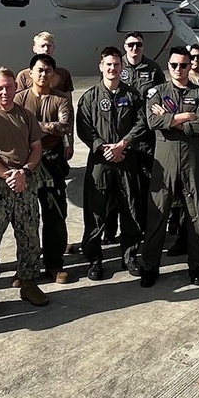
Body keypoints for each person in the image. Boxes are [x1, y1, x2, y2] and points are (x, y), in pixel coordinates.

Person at [0, 68, 49, 316]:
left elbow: (37, 147)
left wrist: (23, 171)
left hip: (24, 182)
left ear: (16, 88)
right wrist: (7, 175)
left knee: (29, 235)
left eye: (9, 87)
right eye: (0, 87)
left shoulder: (25, 115)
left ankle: (28, 283)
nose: (5, 92)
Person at [140, 46, 199, 287]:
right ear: (168, 65)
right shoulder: (157, 91)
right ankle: (151, 265)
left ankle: (196, 265)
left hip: (192, 157)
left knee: (196, 212)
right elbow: (152, 121)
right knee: (158, 211)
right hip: (165, 156)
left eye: (184, 65)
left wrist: (172, 119)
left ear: (189, 66)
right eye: (174, 65)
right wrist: (185, 116)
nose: (179, 69)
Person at [76, 47, 148, 280]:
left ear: (121, 67)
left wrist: (123, 144)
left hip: (126, 158)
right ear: (101, 67)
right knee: (96, 211)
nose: (112, 68)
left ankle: (129, 256)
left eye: (116, 65)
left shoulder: (133, 96)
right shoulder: (89, 98)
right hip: (100, 161)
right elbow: (84, 127)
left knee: (130, 209)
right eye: (108, 64)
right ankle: (95, 260)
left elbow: (142, 123)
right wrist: (103, 146)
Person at [14, 53, 74, 284]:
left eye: (48, 71)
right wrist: (46, 128)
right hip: (26, 162)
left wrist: (34, 127)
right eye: (39, 70)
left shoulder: (60, 99)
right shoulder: (19, 99)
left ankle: (54, 263)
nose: (43, 74)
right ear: (30, 73)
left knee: (55, 214)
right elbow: (14, 126)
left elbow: (64, 125)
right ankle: (26, 266)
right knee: (25, 218)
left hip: (52, 161)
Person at [115, 31, 164, 241]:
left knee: (145, 185)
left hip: (145, 137)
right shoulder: (117, 66)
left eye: (139, 45)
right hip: (121, 133)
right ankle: (114, 230)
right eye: (131, 45)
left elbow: (163, 94)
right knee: (120, 186)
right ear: (125, 46)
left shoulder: (152, 69)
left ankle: (145, 227)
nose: (135, 48)